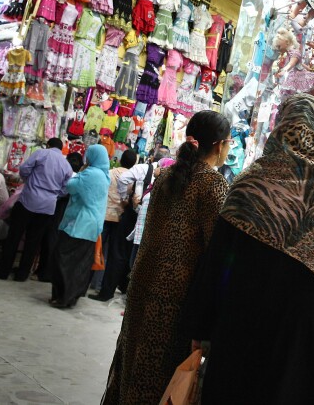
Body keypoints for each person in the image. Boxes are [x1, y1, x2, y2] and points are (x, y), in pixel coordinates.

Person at [182, 94, 314, 405]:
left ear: (279, 128)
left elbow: (218, 265)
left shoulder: (250, 184)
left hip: (244, 323)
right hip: (312, 335)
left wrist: (202, 323)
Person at [102, 111, 231, 405]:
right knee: (161, 373)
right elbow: (215, 251)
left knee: (135, 362)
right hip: (177, 295)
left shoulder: (166, 177)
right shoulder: (213, 185)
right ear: (221, 145)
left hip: (144, 281)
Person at [0, 137, 74, 281]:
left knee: (14, 237)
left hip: (28, 200)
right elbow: (66, 188)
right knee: (33, 241)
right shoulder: (66, 165)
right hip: (48, 206)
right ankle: (22, 275)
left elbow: (24, 169)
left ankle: (3, 271)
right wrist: (54, 194)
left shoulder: (41, 154)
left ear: (48, 145)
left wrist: (29, 181)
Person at [50, 144, 109, 308]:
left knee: (64, 259)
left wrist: (81, 172)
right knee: (79, 264)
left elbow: (70, 186)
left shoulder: (91, 173)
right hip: (91, 225)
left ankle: (64, 296)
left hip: (80, 224)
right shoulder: (103, 174)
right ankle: (69, 297)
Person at [91, 151, 156, 301]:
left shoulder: (143, 169)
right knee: (133, 254)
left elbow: (124, 179)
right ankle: (125, 287)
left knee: (118, 253)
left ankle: (107, 292)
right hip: (148, 221)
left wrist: (125, 197)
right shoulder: (171, 176)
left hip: (131, 215)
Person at [91, 149, 137, 291]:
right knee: (113, 253)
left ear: (121, 159)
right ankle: (101, 285)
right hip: (120, 218)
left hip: (104, 215)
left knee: (98, 248)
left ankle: (88, 280)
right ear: (134, 163)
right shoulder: (133, 179)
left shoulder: (109, 173)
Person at [37, 151, 83, 283]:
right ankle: (50, 272)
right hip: (69, 215)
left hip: (58, 210)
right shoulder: (80, 178)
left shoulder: (66, 175)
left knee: (50, 240)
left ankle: (44, 271)